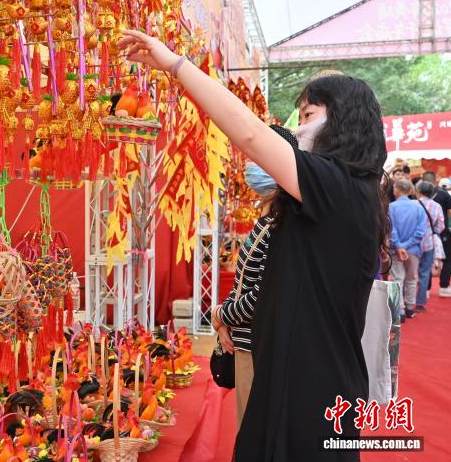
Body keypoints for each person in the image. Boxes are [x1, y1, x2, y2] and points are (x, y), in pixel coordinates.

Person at [119, 32, 389, 461]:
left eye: (308, 114)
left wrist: (175, 65)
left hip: (313, 386)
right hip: (295, 373)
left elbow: (249, 133)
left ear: (341, 121)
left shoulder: (339, 187)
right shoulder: (342, 191)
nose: (297, 128)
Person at [212, 125, 298, 428]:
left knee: (252, 430)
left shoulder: (279, 226)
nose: (250, 166)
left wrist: (221, 315)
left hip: (257, 344)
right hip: (246, 340)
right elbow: (244, 283)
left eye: (258, 159)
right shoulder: (268, 219)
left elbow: (262, 296)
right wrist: (225, 318)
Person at [389, 179, 427, 321]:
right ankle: (410, 307)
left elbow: (390, 229)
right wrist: (406, 245)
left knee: (397, 279)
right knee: (411, 278)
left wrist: (399, 246)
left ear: (397, 190)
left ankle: (399, 311)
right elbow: (421, 232)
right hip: (413, 249)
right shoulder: (418, 208)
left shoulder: (391, 207)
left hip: (396, 250)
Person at [415, 181, 444, 312]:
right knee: (425, 273)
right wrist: (432, 232)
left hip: (413, 242)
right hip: (429, 242)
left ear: (419, 191)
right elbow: (441, 225)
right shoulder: (437, 206)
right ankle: (420, 303)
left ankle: (406, 301)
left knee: (409, 273)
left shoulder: (414, 204)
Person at [422, 171, 451, 296]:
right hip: (442, 232)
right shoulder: (444, 194)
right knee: (448, 259)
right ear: (435, 180)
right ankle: (444, 287)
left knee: (425, 260)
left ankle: (426, 289)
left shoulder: (417, 195)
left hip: (423, 233)